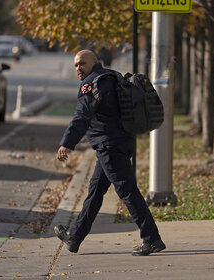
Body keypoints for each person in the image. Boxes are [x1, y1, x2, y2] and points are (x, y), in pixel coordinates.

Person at [54, 49, 165, 256]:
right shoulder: (112, 77)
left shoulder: (91, 84)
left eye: (82, 63)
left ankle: (151, 239)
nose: (78, 68)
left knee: (127, 191)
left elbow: (81, 117)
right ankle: (75, 237)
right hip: (121, 142)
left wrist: (66, 144)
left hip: (109, 146)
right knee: (95, 192)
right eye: (76, 65)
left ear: (95, 62)